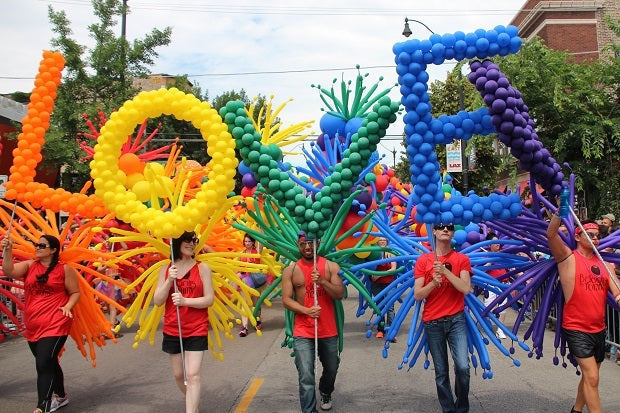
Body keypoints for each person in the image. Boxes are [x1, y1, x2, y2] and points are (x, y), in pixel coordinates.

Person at [547, 217, 620, 413]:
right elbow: (551, 234)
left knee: (590, 376)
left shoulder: (606, 264)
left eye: (598, 236)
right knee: (592, 377)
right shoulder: (568, 258)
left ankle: (577, 409)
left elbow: (617, 290)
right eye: (591, 235)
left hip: (599, 328)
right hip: (576, 328)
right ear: (578, 237)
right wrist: (558, 212)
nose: (596, 239)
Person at [1, 234, 80, 413]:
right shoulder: (30, 265)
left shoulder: (64, 269)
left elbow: (75, 292)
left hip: (56, 322)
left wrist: (68, 306)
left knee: (43, 363)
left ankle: (42, 405)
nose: (37, 247)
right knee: (48, 362)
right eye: (36, 244)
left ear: (53, 250)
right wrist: (8, 250)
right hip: (34, 324)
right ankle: (61, 396)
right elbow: (9, 271)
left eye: (42, 245)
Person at [153, 231, 215, 413]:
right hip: (173, 329)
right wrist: (169, 281)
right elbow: (157, 301)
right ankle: (193, 404)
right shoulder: (165, 269)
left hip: (197, 328)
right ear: (177, 243)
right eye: (186, 241)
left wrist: (186, 301)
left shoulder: (202, 268)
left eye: (193, 241)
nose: (191, 244)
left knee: (193, 375)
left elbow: (209, 299)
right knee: (179, 375)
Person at [281, 233, 344, 412]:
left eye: (311, 243)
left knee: (331, 368)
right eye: (303, 244)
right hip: (303, 330)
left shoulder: (330, 266)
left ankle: (325, 390)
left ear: (318, 243)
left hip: (328, 329)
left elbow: (340, 293)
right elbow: (286, 299)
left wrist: (322, 281)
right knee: (306, 376)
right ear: (297, 245)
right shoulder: (291, 270)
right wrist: (306, 311)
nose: (307, 247)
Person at [414, 223, 472, 413]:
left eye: (449, 226)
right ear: (434, 232)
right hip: (433, 322)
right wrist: (433, 283)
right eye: (440, 227)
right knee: (441, 373)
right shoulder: (423, 260)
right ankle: (449, 410)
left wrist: (446, 271)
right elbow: (418, 294)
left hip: (456, 319)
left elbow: (465, 288)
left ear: (453, 232)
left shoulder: (461, 259)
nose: (445, 229)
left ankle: (462, 408)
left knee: (463, 368)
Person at [237, 234, 266, 337]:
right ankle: (244, 327)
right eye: (245, 241)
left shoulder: (257, 251)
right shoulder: (241, 254)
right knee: (244, 304)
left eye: (249, 241)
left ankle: (257, 320)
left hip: (255, 282)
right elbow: (238, 269)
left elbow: (261, 240)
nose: (247, 243)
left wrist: (260, 224)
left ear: (253, 242)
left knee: (255, 303)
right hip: (244, 282)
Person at [370, 237, 397, 341]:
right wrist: (375, 276)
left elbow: (393, 268)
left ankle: (391, 331)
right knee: (379, 307)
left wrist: (379, 275)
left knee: (390, 307)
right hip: (377, 285)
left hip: (389, 284)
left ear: (387, 242)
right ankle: (381, 330)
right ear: (376, 241)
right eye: (380, 240)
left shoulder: (391, 253)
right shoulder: (373, 254)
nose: (382, 242)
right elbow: (370, 269)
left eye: (384, 240)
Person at [483, 233, 508, 339]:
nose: (498, 244)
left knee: (503, 307)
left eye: (498, 242)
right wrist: (490, 261)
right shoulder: (484, 255)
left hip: (503, 285)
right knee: (488, 307)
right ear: (490, 245)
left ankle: (500, 329)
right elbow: (482, 269)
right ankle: (487, 326)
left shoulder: (503, 254)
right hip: (491, 286)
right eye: (494, 242)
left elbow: (510, 267)